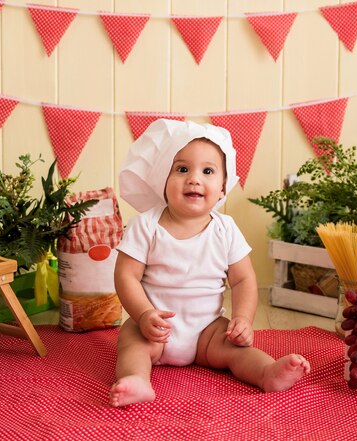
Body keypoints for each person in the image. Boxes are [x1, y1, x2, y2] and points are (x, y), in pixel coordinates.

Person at [110, 119, 310, 407]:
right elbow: (126, 275)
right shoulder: (146, 225)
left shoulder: (225, 229)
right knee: (130, 341)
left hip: (207, 331)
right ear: (162, 180)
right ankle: (137, 379)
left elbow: (243, 280)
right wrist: (143, 315)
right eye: (181, 169)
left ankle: (266, 372)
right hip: (154, 329)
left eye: (207, 171)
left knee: (236, 347)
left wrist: (242, 318)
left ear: (222, 187)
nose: (194, 179)